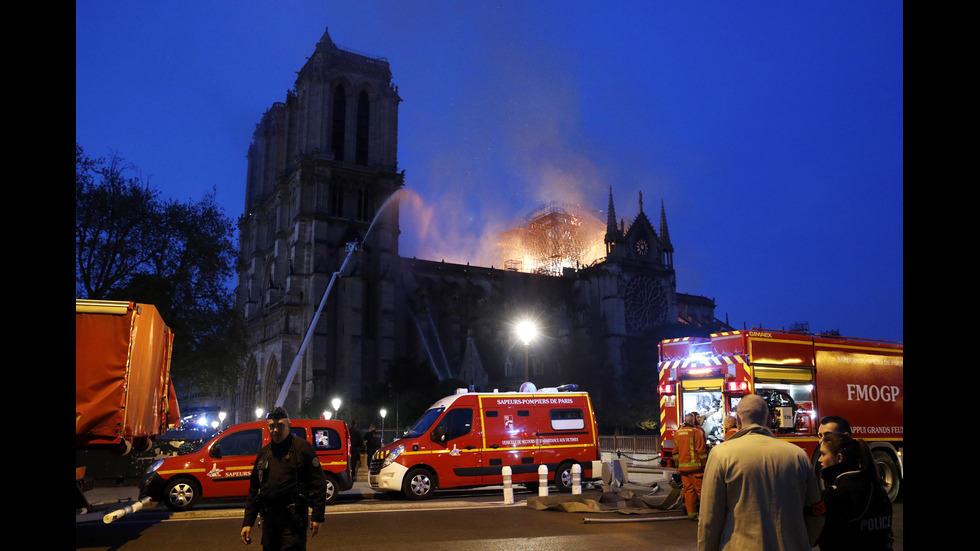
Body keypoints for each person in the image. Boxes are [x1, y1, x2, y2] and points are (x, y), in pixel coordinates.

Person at [698, 394, 825, 551]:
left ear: (738, 420)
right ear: (769, 420)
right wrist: (803, 542)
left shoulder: (720, 455)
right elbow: (816, 512)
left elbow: (709, 518)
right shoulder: (798, 455)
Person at [241, 407, 327, 550]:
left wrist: (317, 516)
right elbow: (255, 489)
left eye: (280, 425)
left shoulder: (303, 448)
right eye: (272, 426)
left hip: (293, 520)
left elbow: (318, 483)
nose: (275, 430)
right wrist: (247, 522)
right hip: (269, 521)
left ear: (289, 426)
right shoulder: (264, 453)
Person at [816, 433, 893, 550]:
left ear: (839, 458)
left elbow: (816, 536)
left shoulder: (834, 495)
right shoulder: (878, 488)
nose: (820, 460)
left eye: (823, 454)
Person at [675, 413, 708, 520]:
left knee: (688, 490)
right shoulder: (697, 432)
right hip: (696, 468)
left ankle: (691, 515)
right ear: (693, 421)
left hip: (683, 469)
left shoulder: (677, 433)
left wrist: (678, 466)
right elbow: (701, 451)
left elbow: (675, 452)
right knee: (700, 491)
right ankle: (705, 515)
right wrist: (705, 464)